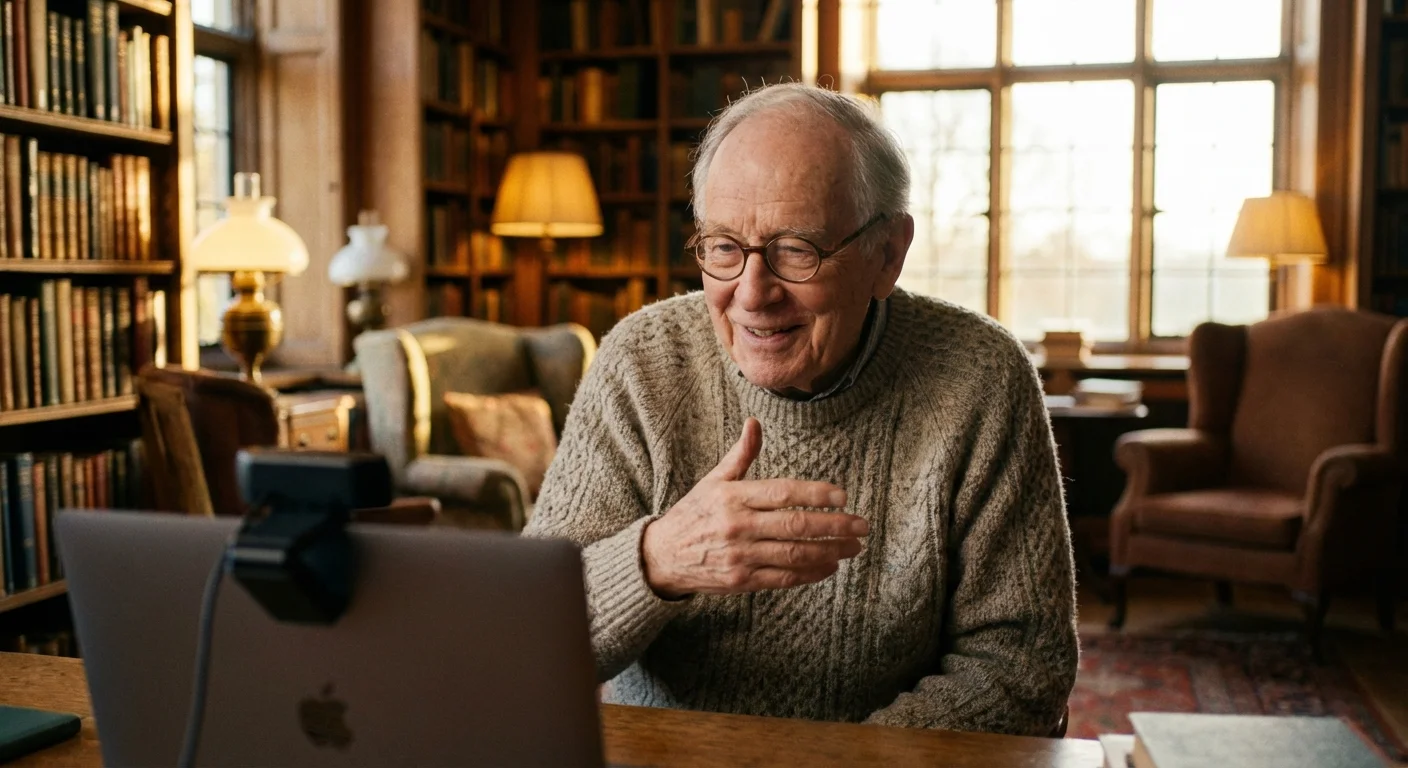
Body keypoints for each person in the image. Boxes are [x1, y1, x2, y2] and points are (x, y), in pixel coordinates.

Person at [523, 82, 1078, 737]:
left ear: (888, 254)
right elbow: (524, 644)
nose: (752, 294)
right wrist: (657, 561)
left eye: (796, 250)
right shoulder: (642, 361)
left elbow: (1022, 664)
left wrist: (841, 762)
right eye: (724, 247)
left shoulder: (981, 375)